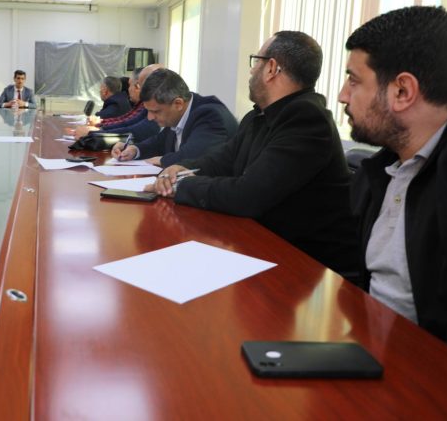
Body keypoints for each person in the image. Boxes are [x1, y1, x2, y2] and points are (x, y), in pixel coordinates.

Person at [341, 6, 447, 372]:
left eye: (354, 81)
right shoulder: (383, 167)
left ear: (403, 90)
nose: (343, 95)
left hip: (434, 383)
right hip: (374, 358)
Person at [148, 31, 358, 278]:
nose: (251, 70)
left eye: (256, 61)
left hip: (305, 266)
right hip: (264, 248)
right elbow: (221, 160)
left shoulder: (306, 119)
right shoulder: (258, 116)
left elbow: (248, 194)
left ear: (271, 68)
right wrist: (181, 169)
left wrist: (181, 186)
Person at [111, 68, 238, 167]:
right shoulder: (176, 115)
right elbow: (159, 142)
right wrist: (135, 149)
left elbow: (192, 157)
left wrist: (161, 160)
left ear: (178, 104)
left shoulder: (210, 116)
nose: (150, 117)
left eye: (155, 111)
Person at [74, 65, 161, 142]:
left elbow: (134, 130)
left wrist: (93, 133)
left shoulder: (117, 103)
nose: (128, 89)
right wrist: (99, 127)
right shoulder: (143, 105)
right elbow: (127, 122)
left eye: (130, 85)